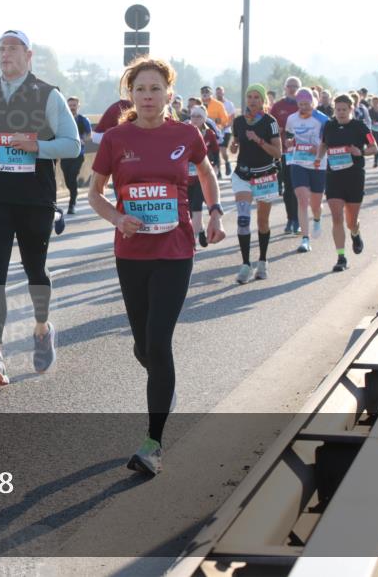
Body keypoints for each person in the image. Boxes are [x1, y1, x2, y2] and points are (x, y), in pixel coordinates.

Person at [88, 57, 225, 475]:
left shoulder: (186, 134)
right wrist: (118, 218)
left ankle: (153, 444)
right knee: (144, 348)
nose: (148, 96)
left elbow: (206, 174)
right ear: (130, 95)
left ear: (169, 93)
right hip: (131, 253)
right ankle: (163, 384)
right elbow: (95, 193)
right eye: (140, 90)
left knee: (159, 342)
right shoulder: (116, 139)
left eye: (155, 89)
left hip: (175, 250)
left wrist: (215, 212)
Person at [0, 30, 80, 387]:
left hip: (34, 196)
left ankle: (42, 328)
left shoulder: (48, 94)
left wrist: (36, 146)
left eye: (12, 48)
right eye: (1, 49)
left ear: (29, 55)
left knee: (35, 270)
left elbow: (72, 145)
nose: (5, 54)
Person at [317, 94, 377, 272]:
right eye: (338, 110)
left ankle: (355, 233)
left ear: (351, 109)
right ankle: (341, 257)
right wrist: (318, 158)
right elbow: (324, 144)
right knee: (337, 217)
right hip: (334, 177)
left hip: (354, 177)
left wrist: (360, 152)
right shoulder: (329, 126)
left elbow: (374, 147)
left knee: (351, 221)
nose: (341, 113)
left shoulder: (361, 127)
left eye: (344, 109)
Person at [231, 84, 282, 283]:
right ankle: (245, 265)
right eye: (249, 97)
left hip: (265, 176)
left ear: (263, 101)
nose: (252, 101)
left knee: (262, 222)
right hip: (243, 175)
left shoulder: (270, 122)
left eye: (256, 97)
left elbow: (278, 153)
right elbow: (235, 144)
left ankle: (262, 261)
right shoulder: (238, 121)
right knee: (243, 219)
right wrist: (234, 146)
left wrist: (259, 140)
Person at [285, 88, 330, 253]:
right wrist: (289, 141)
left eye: (306, 104)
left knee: (315, 204)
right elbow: (289, 135)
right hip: (298, 162)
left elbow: (328, 142)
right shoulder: (292, 118)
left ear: (313, 103)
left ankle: (317, 219)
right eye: (300, 104)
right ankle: (305, 239)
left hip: (318, 163)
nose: (303, 107)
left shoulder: (322, 119)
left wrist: (317, 149)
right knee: (302, 199)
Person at [270, 76, 301, 234]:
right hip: (284, 152)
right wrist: (278, 130)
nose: (292, 89)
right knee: (288, 187)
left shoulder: (303, 105)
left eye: (295, 86)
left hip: (302, 152)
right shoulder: (278, 106)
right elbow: (270, 125)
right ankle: (291, 219)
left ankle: (299, 219)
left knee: (299, 187)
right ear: (285, 88)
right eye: (290, 86)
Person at [187, 104, 219, 248]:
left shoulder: (209, 133)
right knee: (189, 209)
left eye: (199, 116)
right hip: (187, 177)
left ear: (204, 118)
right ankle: (200, 230)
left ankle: (191, 242)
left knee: (196, 206)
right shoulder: (185, 132)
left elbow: (216, 151)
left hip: (202, 176)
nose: (195, 119)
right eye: (193, 116)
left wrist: (216, 166)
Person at [61, 96, 92, 214]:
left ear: (78, 106)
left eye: (74, 105)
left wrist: (82, 140)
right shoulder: (62, 120)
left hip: (78, 154)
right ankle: (73, 194)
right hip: (65, 154)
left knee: (73, 177)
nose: (72, 107)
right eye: (70, 105)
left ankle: (72, 204)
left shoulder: (83, 120)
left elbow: (89, 135)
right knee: (68, 180)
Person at [201, 86, 232, 176]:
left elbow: (225, 119)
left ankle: (226, 163)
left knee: (221, 151)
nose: (205, 94)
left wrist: (216, 120)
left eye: (207, 92)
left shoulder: (218, 104)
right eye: (203, 92)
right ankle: (217, 172)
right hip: (205, 132)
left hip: (219, 131)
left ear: (211, 93)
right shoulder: (200, 104)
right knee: (210, 152)